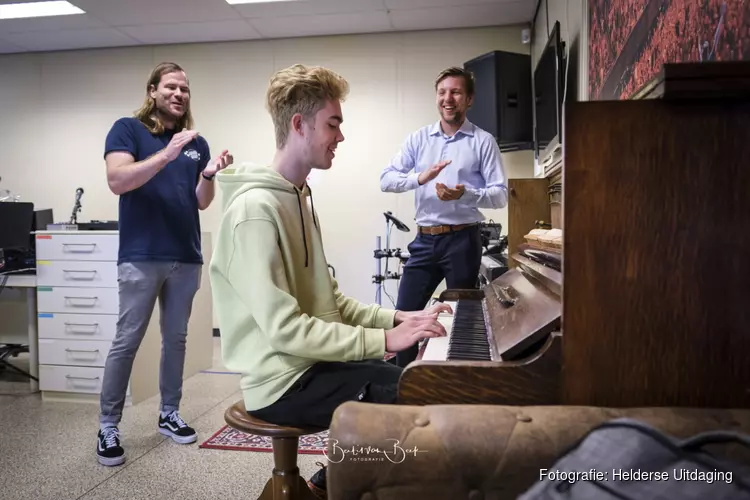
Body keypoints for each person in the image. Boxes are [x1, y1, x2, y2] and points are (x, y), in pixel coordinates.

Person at [208, 63, 449, 499]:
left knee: (409, 379)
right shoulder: (254, 211)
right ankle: (342, 485)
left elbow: (329, 300)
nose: (341, 136)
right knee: (403, 396)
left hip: (307, 365)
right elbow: (285, 330)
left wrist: (396, 316)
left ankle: (330, 480)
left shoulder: (299, 196)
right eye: (333, 124)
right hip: (280, 381)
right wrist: (383, 340)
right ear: (299, 125)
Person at [96, 61, 233, 467]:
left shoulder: (196, 141)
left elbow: (202, 201)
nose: (178, 94)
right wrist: (166, 154)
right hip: (141, 256)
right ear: (152, 91)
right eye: (170, 87)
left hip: (184, 255)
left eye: (184, 90)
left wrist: (207, 173)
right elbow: (118, 179)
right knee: (127, 341)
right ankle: (108, 426)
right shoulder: (127, 129)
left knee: (176, 340)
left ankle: (169, 413)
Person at [380, 66, 508, 368]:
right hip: (424, 240)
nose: (448, 98)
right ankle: (401, 385)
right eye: (442, 92)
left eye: (456, 92)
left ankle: (453, 384)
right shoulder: (418, 139)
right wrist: (419, 178)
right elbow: (386, 179)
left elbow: (500, 194)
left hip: (463, 241)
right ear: (436, 97)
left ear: (469, 99)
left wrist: (466, 194)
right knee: (405, 315)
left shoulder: (483, 141)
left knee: (463, 318)